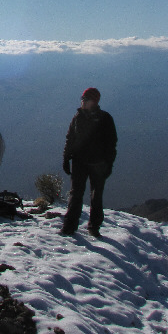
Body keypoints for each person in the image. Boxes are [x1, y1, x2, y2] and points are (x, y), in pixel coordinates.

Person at [60, 87, 117, 237]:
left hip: (98, 164)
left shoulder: (105, 119)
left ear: (94, 101)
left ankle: (93, 227)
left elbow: (111, 144)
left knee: (95, 196)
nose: (82, 101)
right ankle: (69, 227)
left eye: (85, 99)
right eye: (83, 98)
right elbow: (70, 138)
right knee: (76, 194)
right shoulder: (78, 117)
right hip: (80, 162)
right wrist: (66, 157)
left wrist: (108, 164)